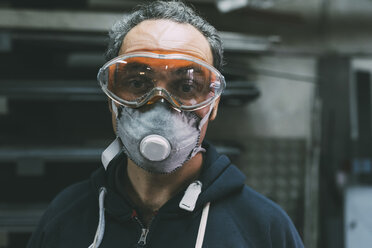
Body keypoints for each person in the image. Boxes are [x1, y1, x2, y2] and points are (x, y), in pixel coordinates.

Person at [27, 1, 304, 247]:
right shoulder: (67, 218)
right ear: (111, 97)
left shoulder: (263, 230)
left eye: (186, 86)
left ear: (213, 103)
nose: (159, 104)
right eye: (137, 83)